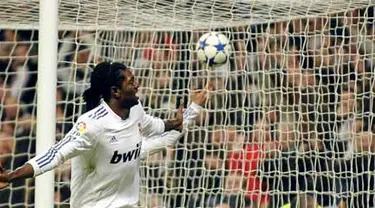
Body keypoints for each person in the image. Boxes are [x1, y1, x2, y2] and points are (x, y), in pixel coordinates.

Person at [0, 62, 210, 208]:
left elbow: (161, 129)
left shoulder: (136, 111)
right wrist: (12, 175)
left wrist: (191, 110)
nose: (137, 85)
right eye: (131, 82)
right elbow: (55, 154)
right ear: (115, 92)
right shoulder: (92, 125)